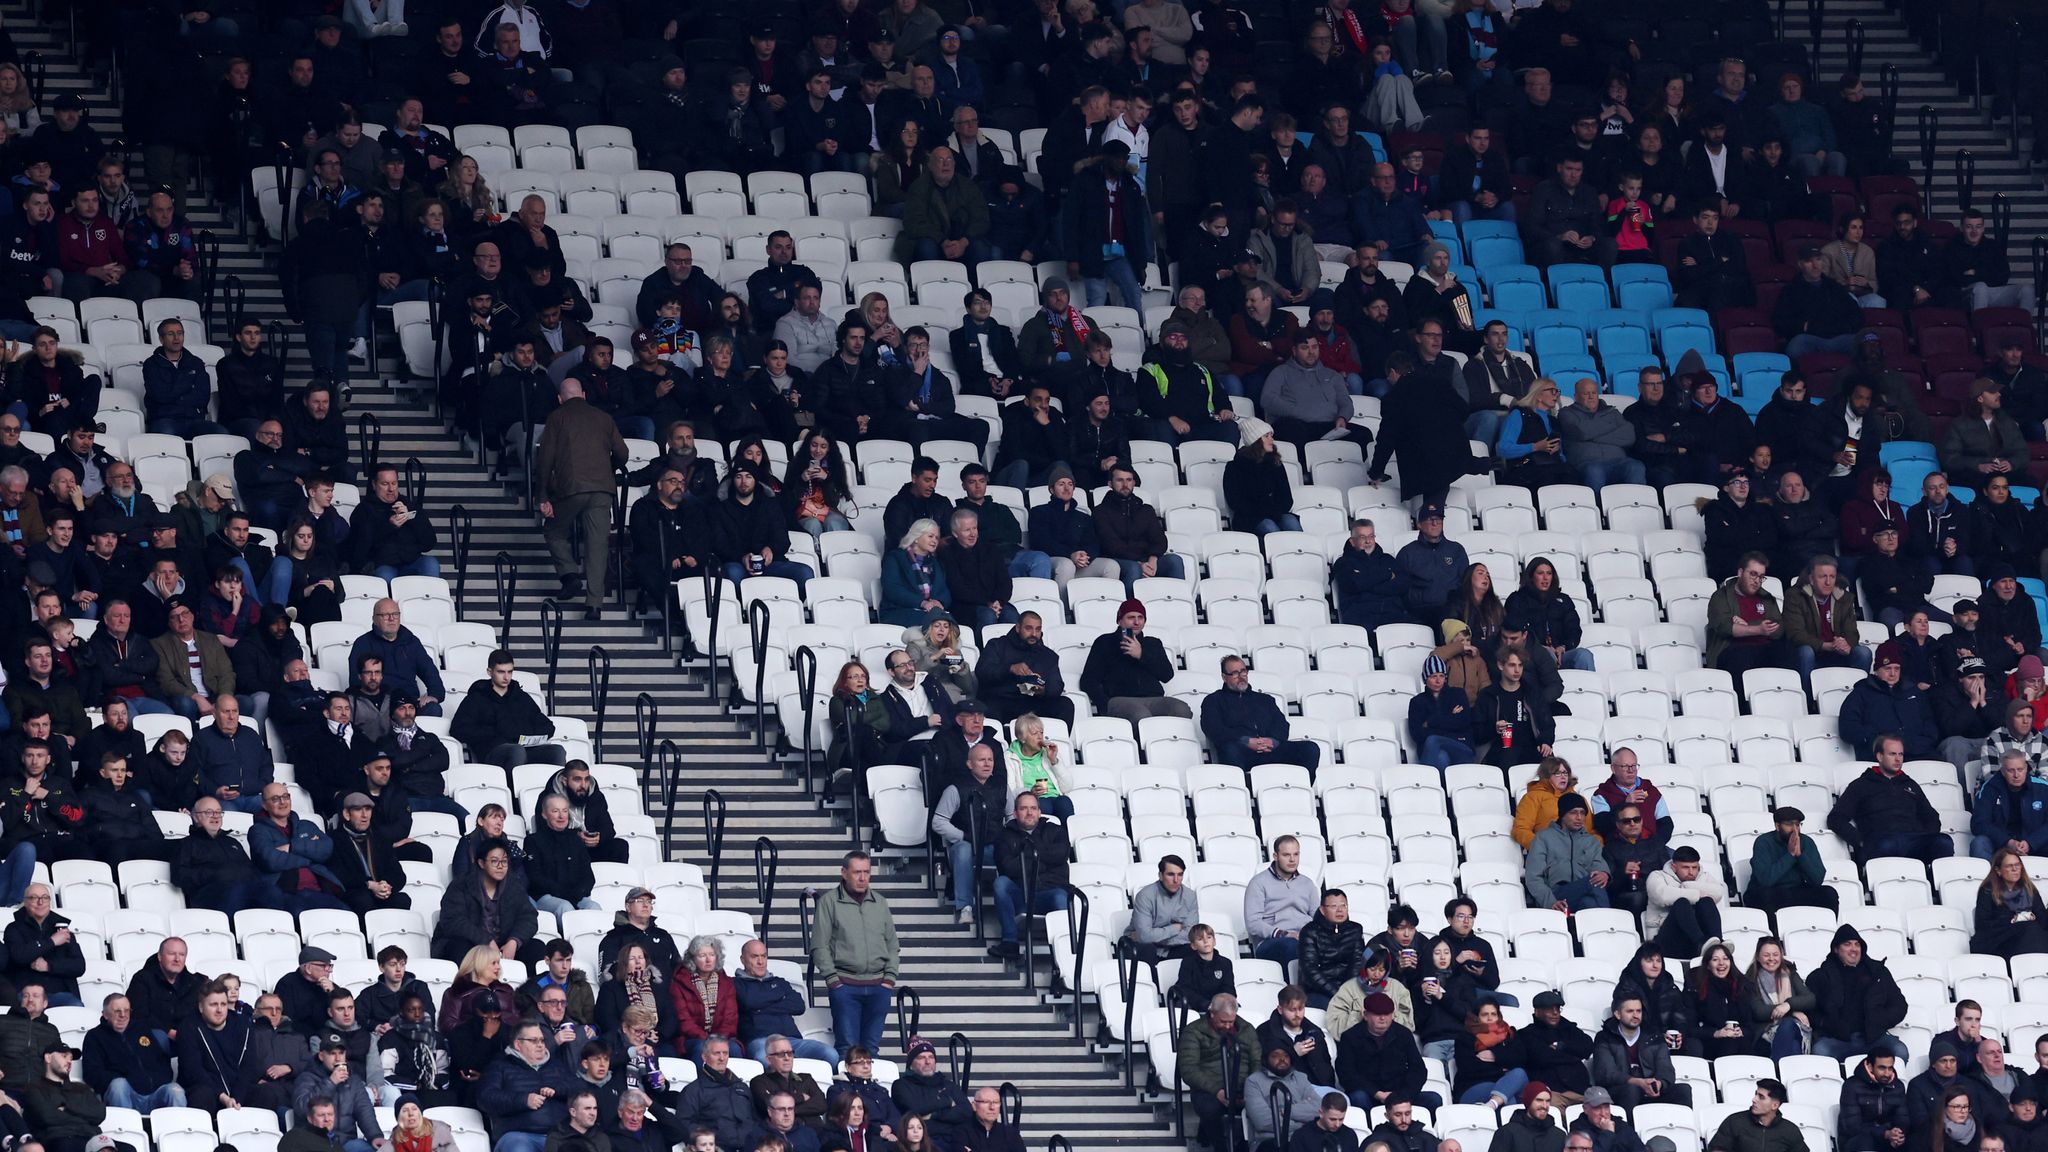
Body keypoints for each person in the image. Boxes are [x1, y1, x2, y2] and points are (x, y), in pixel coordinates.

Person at [535, 377, 629, 619]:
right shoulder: (604, 418)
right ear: (584, 395)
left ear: (560, 398)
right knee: (597, 545)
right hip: (602, 489)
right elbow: (623, 453)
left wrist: (543, 494)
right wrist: (608, 468)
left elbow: (545, 459)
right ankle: (594, 605)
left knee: (554, 531)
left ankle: (569, 575)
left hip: (571, 488)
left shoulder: (557, 417)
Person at [812, 851, 898, 1058]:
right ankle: (846, 1091)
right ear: (844, 873)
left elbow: (892, 944)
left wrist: (889, 979)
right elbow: (819, 945)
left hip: (879, 986)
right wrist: (833, 981)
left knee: (872, 1051)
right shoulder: (828, 902)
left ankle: (869, 1090)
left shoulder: (880, 902)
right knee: (847, 1049)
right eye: (857, 872)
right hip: (845, 986)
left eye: (866, 872)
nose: (862, 878)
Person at [1828, 733, 1953, 863]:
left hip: (1914, 840)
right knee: (1887, 844)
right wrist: (1860, 841)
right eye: (1892, 754)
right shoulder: (1861, 785)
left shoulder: (1910, 784)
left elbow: (1931, 817)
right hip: (1880, 841)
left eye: (1901, 754)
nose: (1898, 759)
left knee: (1943, 842)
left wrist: (1925, 834)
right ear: (1879, 756)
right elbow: (1836, 818)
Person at [1204, 655, 1322, 775]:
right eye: (1234, 673)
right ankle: (1244, 791)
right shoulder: (1214, 700)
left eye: (1243, 671)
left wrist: (1273, 741)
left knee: (1310, 749)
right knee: (1230, 750)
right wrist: (1246, 741)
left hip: (1270, 750)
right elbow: (1214, 729)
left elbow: (1282, 725)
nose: (1240, 677)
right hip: (1242, 752)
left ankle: (1301, 789)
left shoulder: (1265, 699)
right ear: (1224, 677)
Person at [1807, 924, 1909, 1060]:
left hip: (1873, 1038)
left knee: (1900, 1051)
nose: (1853, 949)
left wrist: (1878, 1021)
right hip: (1837, 1039)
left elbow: (1899, 1005)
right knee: (1821, 1051)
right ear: (1836, 949)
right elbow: (1810, 1011)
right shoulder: (1819, 976)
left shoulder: (1878, 973)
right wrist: (1828, 1024)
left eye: (1857, 944)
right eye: (1847, 944)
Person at [989, 790, 1069, 959]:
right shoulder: (1004, 835)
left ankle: (1067, 955)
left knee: (1061, 896)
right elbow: (1007, 867)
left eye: (1033, 808)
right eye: (1024, 808)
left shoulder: (1055, 831)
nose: (1030, 812)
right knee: (1001, 883)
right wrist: (1041, 859)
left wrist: (1028, 857)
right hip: (1021, 895)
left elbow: (1061, 855)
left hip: (1049, 892)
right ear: (1015, 813)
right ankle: (1010, 942)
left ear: (1040, 812)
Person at [450, 649, 563, 768]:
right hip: (492, 751)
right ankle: (512, 786)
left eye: (510, 672)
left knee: (557, 751)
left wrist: (521, 734)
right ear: (490, 672)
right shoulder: (476, 698)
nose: (506, 677)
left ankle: (553, 786)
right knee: (516, 751)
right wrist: (496, 732)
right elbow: (458, 729)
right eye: (501, 672)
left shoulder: (521, 697)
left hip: (524, 748)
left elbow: (547, 726)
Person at [1178, 992, 1262, 1152]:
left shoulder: (1247, 1030)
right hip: (1209, 1090)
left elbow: (1256, 1062)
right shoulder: (1193, 1032)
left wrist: (1251, 1089)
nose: (1228, 1026)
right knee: (1210, 1109)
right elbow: (1189, 1069)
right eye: (1223, 1021)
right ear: (1212, 1013)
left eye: (1231, 1021)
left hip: (1244, 1087)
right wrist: (1216, 1090)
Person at [1590, 994, 1693, 1109]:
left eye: (1638, 1011)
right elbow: (1606, 1074)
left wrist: (1659, 1084)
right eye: (1630, 1011)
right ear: (1617, 1014)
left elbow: (1666, 1069)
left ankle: (1683, 1126)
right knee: (1631, 1090)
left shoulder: (1654, 1036)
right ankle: (1628, 1127)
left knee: (1683, 1090)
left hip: (1650, 1090)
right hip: (1621, 1090)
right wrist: (1638, 1082)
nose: (1635, 1015)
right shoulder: (1604, 1037)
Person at [1747, 807, 1840, 915]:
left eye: (1797, 824)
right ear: (1777, 826)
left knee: (1829, 893)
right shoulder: (1763, 842)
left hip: (1796, 890)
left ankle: (1830, 930)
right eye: (1789, 824)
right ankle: (1774, 932)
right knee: (1765, 896)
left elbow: (1817, 879)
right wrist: (1790, 855)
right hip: (1771, 891)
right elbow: (1765, 880)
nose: (1795, 830)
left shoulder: (1806, 841)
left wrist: (1800, 856)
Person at [1244, 835, 1318, 965]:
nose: (1292, 859)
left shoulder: (1307, 883)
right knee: (1293, 946)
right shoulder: (1258, 883)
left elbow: (1317, 918)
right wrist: (1283, 934)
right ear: (1275, 856)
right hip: (1271, 941)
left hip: (1304, 937)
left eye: (1296, 854)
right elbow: (1253, 924)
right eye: (1286, 855)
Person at [1643, 846, 1726, 960]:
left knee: (1706, 902)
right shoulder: (1657, 876)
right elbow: (1662, 896)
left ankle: (1718, 945)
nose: (1691, 872)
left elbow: (1718, 893)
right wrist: (1696, 895)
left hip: (1693, 941)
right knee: (1681, 903)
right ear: (1674, 867)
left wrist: (1688, 885)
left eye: (1694, 867)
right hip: (1666, 939)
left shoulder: (1704, 876)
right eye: (1685, 867)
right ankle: (1701, 943)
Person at [1969, 752, 2048, 861]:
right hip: (2000, 845)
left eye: (2020, 769)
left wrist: (2031, 843)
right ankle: (1991, 878)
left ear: (2026, 769)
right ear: (2002, 771)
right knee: (1979, 843)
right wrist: (2007, 842)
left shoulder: (2042, 788)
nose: (2016, 775)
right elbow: (1979, 823)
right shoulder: (1989, 788)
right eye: (2011, 770)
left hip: (2034, 844)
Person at [1972, 848, 2048, 956]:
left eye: (2017, 865)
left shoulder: (2030, 889)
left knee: (2033, 930)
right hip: (1998, 942)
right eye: (2009, 866)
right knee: (2029, 929)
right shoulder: (1988, 891)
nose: (2014, 869)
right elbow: (1982, 925)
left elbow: (2043, 921)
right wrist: (2014, 920)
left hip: (2028, 937)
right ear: (1998, 870)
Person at [1839, 1051, 1911, 1152]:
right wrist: (1884, 1133)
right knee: (1865, 1141)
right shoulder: (1851, 1086)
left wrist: (1897, 1133)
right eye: (1882, 1068)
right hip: (1857, 1140)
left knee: (1914, 1139)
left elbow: (1903, 1118)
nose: (1887, 1073)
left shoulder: (1898, 1086)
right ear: (1869, 1066)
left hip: (1887, 1137)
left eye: (1890, 1068)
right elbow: (1852, 1127)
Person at [1707, 1080, 1807, 1152]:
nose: (1754, 1099)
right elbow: (1717, 1148)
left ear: (1775, 1105)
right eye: (1756, 1094)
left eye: (1761, 1097)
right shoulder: (1734, 1121)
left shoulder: (1790, 1130)